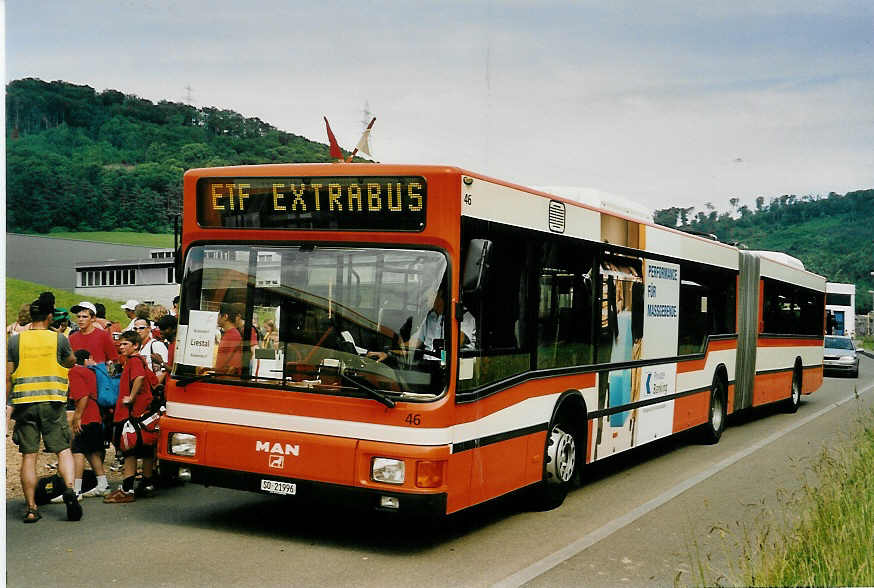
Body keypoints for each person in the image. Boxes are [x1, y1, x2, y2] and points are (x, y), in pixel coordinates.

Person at [6, 292, 82, 523]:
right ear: (50, 317)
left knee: (29, 457)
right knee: (63, 450)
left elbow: (8, 375)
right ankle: (69, 488)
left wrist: (6, 404)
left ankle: (31, 508)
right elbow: (70, 362)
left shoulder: (15, 340)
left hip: (24, 404)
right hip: (53, 403)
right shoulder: (58, 339)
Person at [104, 331, 157, 503]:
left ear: (135, 345)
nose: (121, 347)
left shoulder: (134, 361)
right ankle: (147, 484)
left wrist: (131, 397)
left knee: (129, 451)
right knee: (147, 450)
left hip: (132, 414)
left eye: (126, 344)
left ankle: (127, 490)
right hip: (144, 413)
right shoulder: (141, 361)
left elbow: (139, 378)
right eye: (120, 344)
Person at [59, 349, 110, 499]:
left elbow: (83, 396)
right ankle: (103, 484)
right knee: (91, 451)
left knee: (77, 451)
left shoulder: (75, 372)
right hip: (96, 416)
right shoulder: (90, 372)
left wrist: (77, 417)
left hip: (86, 416)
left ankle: (76, 490)